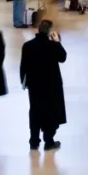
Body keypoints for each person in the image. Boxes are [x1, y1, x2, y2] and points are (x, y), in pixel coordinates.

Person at [19, 19, 67, 151]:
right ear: (50, 32)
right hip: (52, 86)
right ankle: (49, 140)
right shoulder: (53, 46)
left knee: (34, 112)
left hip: (34, 86)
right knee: (51, 113)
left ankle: (34, 141)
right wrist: (57, 42)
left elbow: (23, 67)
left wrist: (24, 82)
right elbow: (63, 57)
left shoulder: (28, 46)